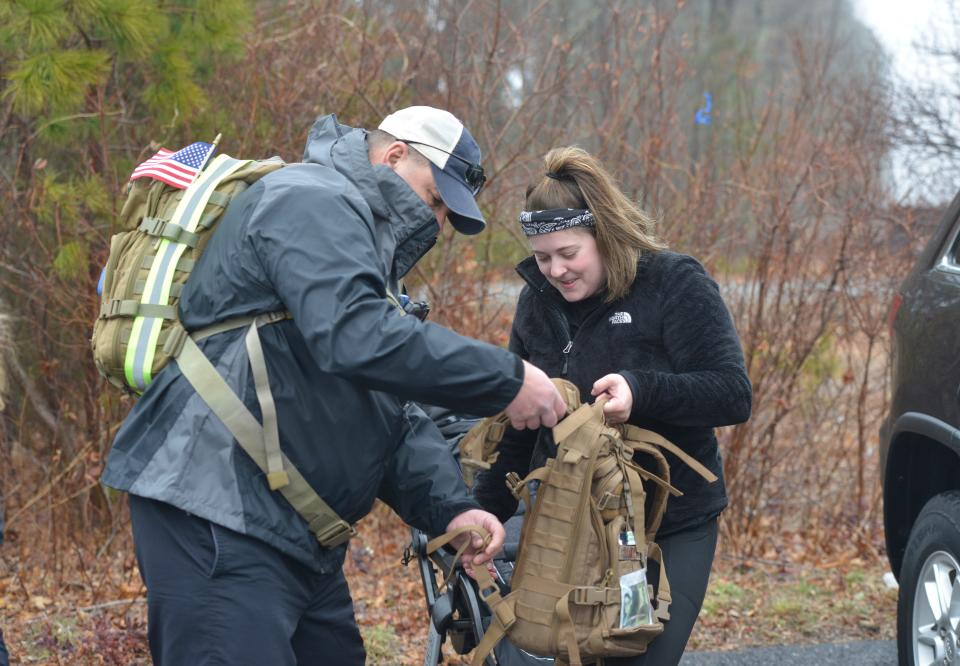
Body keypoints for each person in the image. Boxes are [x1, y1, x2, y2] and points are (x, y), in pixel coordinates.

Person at [101, 106, 566, 666]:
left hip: (296, 537)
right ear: (393, 156)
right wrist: (509, 379)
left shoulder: (363, 253)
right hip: (217, 514)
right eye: (434, 198)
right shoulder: (308, 198)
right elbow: (356, 336)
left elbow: (389, 414)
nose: (438, 224)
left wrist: (451, 511)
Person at [474, 146, 752, 666]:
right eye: (542, 256)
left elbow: (731, 392)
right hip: (573, 526)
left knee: (638, 658)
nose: (555, 270)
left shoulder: (673, 282)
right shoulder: (536, 303)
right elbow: (521, 423)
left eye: (568, 253)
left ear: (602, 233)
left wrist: (639, 390)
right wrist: (484, 514)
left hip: (669, 527)